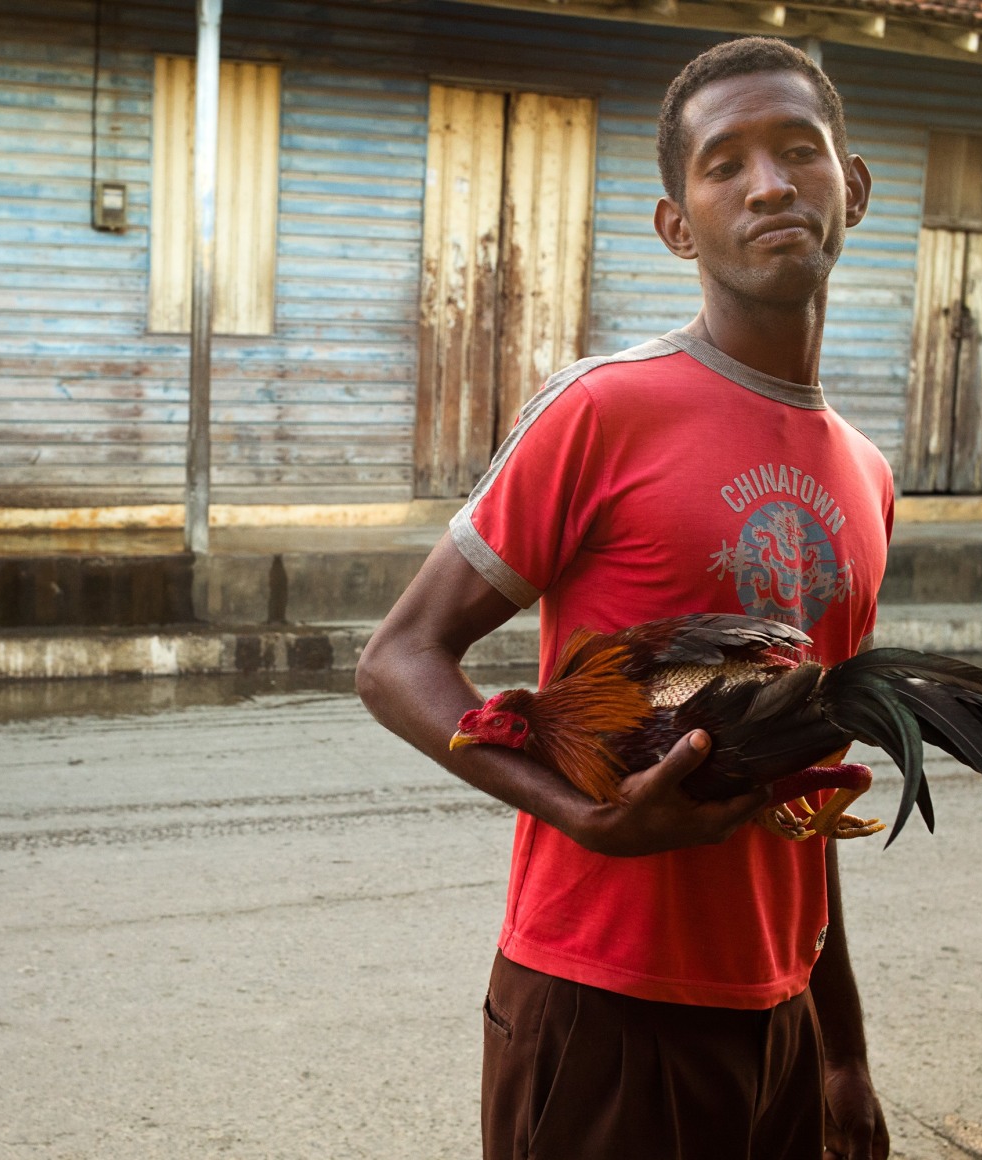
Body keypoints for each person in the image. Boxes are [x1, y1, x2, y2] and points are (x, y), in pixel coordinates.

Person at [356, 37, 894, 1160]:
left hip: (780, 1012)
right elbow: (400, 659)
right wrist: (588, 814)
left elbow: (811, 775)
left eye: (799, 150)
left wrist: (840, 1046)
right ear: (676, 225)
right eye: (724, 162)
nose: (770, 182)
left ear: (853, 186)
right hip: (602, 998)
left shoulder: (867, 474)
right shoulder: (606, 410)